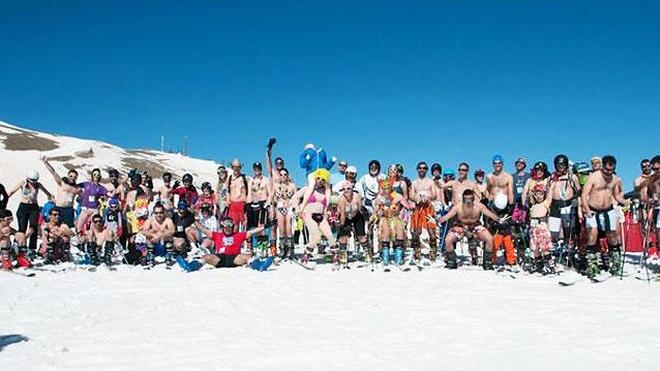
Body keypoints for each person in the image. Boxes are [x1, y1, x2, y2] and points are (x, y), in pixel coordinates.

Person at [580, 155, 630, 277]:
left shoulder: (615, 179)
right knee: (592, 235)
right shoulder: (594, 177)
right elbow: (584, 194)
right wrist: (586, 210)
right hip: (592, 210)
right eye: (606, 169)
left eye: (611, 170)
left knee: (612, 235)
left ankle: (616, 263)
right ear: (603, 166)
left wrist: (626, 202)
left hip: (608, 210)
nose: (608, 172)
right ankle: (592, 265)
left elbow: (617, 195)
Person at [436, 189, 507, 270]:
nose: (468, 202)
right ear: (463, 199)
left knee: (489, 238)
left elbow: (490, 214)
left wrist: (498, 219)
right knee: (448, 239)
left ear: (473, 199)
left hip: (475, 227)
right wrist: (438, 219)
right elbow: (447, 216)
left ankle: (487, 262)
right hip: (461, 227)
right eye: (466, 199)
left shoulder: (479, 206)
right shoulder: (457, 207)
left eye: (470, 199)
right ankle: (451, 261)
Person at [177, 218, 271, 272]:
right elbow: (203, 230)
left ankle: (260, 266)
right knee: (206, 257)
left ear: (232, 227)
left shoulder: (238, 235)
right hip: (220, 258)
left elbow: (251, 232)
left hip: (234, 258)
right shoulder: (217, 235)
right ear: (223, 227)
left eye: (229, 227)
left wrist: (266, 226)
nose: (228, 229)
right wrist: (194, 220)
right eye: (226, 227)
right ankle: (190, 266)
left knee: (247, 256)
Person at [7, 170, 53, 259]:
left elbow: (48, 193)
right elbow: (12, 191)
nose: (33, 182)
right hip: (23, 207)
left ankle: (32, 249)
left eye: (35, 180)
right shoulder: (23, 183)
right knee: (22, 228)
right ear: (28, 178)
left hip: (33, 207)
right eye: (32, 180)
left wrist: (52, 198)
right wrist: (5, 200)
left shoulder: (38, 185)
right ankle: (19, 246)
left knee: (33, 227)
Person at [300, 169, 336, 264]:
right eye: (318, 178)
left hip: (321, 215)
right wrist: (298, 210)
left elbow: (331, 203)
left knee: (330, 236)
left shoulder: (327, 192)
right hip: (309, 214)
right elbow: (295, 197)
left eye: (323, 179)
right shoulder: (308, 189)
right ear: (315, 178)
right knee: (316, 237)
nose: (320, 181)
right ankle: (306, 254)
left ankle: (335, 256)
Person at [547, 154, 581, 250]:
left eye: (562, 165)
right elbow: (548, 191)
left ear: (566, 165)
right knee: (553, 231)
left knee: (568, 230)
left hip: (568, 205)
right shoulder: (552, 177)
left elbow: (578, 189)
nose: (560, 167)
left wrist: (576, 198)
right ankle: (553, 250)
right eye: (558, 165)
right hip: (555, 205)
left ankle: (570, 251)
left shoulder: (572, 176)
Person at [373, 179, 407, 269]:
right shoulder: (379, 197)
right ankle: (385, 258)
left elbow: (405, 203)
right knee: (385, 234)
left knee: (400, 233)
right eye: (384, 187)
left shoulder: (396, 195)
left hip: (396, 218)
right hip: (384, 218)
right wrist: (374, 217)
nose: (386, 189)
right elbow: (376, 210)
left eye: (388, 187)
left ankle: (398, 258)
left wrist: (412, 206)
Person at [410, 162, 439, 264]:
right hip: (418, 207)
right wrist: (416, 198)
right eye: (420, 168)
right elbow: (411, 195)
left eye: (424, 168)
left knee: (431, 230)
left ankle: (433, 251)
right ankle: (417, 251)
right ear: (417, 169)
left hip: (428, 207)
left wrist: (428, 198)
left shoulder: (430, 182)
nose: (422, 169)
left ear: (426, 170)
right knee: (416, 230)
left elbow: (435, 195)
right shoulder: (414, 182)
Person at [41, 156, 81, 227]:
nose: (72, 178)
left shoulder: (77, 189)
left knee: (67, 227)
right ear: (68, 176)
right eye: (71, 176)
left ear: (76, 178)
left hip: (69, 210)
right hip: (59, 208)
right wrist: (46, 162)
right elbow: (53, 172)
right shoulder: (62, 183)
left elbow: (84, 197)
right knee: (56, 226)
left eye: (75, 177)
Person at [337, 181, 370, 266]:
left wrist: (366, 219)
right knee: (343, 236)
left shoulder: (357, 196)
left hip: (356, 215)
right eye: (344, 189)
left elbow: (360, 209)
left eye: (348, 189)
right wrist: (342, 226)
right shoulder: (341, 199)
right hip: (346, 217)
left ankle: (368, 252)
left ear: (352, 189)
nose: (346, 191)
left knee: (361, 236)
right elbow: (343, 214)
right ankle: (343, 254)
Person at [527, 183, 554, 274]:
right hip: (533, 228)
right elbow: (530, 193)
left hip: (542, 227)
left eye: (541, 194)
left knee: (544, 248)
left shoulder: (545, 203)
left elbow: (550, 194)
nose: (539, 196)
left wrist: (550, 184)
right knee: (535, 248)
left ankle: (550, 265)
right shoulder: (533, 205)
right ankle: (539, 265)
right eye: (537, 194)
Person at [271, 167, 296, 259]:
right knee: (281, 229)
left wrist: (293, 205)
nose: (283, 176)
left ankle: (290, 250)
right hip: (279, 207)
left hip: (289, 207)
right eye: (281, 174)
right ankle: (282, 250)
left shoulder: (292, 185)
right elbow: (271, 196)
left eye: (285, 174)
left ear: (287, 175)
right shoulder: (275, 185)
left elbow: (296, 196)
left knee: (288, 229)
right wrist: (268, 205)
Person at [76, 168, 109, 237]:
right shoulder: (86, 184)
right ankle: (80, 241)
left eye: (98, 174)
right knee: (79, 226)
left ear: (99, 176)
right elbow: (75, 186)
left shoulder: (101, 188)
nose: (96, 176)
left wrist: (117, 189)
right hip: (85, 209)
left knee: (93, 228)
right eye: (94, 174)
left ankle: (91, 243)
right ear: (92, 175)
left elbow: (109, 194)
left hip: (94, 209)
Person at [246, 162, 271, 253]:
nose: (257, 170)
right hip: (253, 204)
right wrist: (247, 205)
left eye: (259, 168)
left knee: (262, 226)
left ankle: (263, 247)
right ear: (253, 169)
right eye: (255, 168)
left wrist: (267, 203)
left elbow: (270, 193)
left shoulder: (266, 180)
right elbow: (249, 193)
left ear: (261, 169)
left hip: (262, 203)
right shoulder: (251, 181)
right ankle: (251, 248)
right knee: (251, 226)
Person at [227, 159, 248, 232]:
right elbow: (227, 191)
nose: (236, 169)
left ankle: (241, 242)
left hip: (242, 205)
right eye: (234, 167)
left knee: (243, 226)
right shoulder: (229, 178)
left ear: (240, 168)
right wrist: (227, 200)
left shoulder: (245, 178)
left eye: (238, 167)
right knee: (232, 225)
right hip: (232, 205)